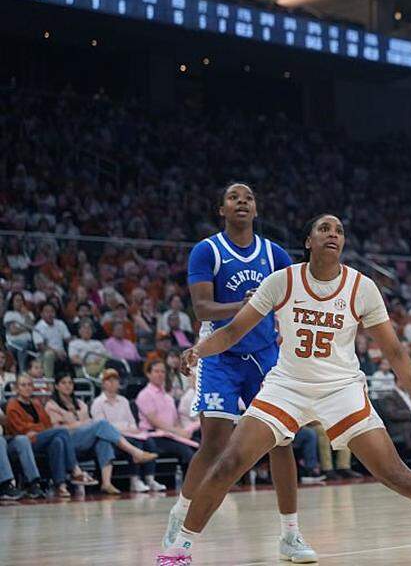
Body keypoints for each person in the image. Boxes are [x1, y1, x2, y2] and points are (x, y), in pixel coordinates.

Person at [156, 214, 411, 566]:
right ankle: (178, 552)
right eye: (324, 229)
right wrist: (197, 350)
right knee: (229, 462)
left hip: (341, 389)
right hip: (288, 386)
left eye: (339, 230)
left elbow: (394, 351)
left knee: (395, 473)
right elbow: (234, 331)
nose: (334, 234)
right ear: (308, 242)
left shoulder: (362, 287)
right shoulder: (282, 281)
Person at [163, 183, 313, 563]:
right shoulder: (207, 250)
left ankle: (290, 535)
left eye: (248, 198)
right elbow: (201, 308)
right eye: (234, 198)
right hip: (221, 355)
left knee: (281, 441)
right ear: (222, 209)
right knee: (214, 443)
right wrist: (244, 305)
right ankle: (180, 516)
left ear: (256, 210)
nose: (242, 202)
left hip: (265, 355)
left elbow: (294, 302)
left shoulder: (274, 253)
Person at [46, 372, 158, 495]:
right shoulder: (52, 405)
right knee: (102, 424)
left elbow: (88, 423)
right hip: (68, 442)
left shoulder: (80, 404)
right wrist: (79, 424)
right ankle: (135, 452)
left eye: (70, 383)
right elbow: (56, 430)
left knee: (103, 441)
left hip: (85, 440)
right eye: (63, 383)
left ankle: (106, 483)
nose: (68, 386)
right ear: (56, 386)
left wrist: (83, 424)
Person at [5, 372, 97, 497]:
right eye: (23, 385)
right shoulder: (12, 405)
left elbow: (47, 425)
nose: (27, 388)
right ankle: (75, 470)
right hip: (24, 442)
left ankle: (60, 485)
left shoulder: (36, 404)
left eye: (29, 385)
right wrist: (39, 429)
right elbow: (21, 428)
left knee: (57, 441)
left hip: (39, 437)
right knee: (62, 431)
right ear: (17, 388)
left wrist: (36, 429)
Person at [90, 367, 166, 492]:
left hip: (129, 434)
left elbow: (132, 424)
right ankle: (134, 480)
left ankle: (150, 478)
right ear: (103, 383)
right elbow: (102, 426)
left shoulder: (124, 401)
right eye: (109, 380)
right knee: (135, 443)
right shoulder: (98, 403)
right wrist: (123, 428)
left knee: (149, 442)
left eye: (115, 380)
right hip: (111, 438)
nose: (113, 383)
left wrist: (125, 428)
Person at [136, 360, 198, 470]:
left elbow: (176, 420)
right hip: (154, 435)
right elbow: (154, 421)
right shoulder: (145, 395)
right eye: (156, 371)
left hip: (171, 434)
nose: (160, 374)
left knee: (199, 446)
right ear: (149, 374)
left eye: (163, 372)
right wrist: (177, 431)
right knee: (184, 450)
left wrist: (182, 431)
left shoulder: (168, 397)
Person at [33, 301, 71, 378]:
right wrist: (57, 352)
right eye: (47, 311)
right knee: (49, 354)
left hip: (62, 353)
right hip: (44, 354)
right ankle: (48, 381)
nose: (50, 314)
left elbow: (68, 340)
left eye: (52, 311)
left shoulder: (60, 323)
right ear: (42, 314)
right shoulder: (38, 327)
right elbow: (41, 347)